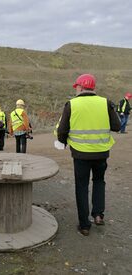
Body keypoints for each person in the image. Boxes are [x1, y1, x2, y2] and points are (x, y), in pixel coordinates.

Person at [56, 74, 121, 236]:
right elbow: (117, 126)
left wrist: (62, 142)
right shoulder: (105, 103)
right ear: (93, 88)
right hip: (101, 153)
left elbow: (62, 130)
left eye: (76, 87)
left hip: (80, 155)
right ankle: (98, 215)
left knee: (82, 186)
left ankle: (84, 225)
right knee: (99, 181)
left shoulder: (71, 104)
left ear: (79, 87)